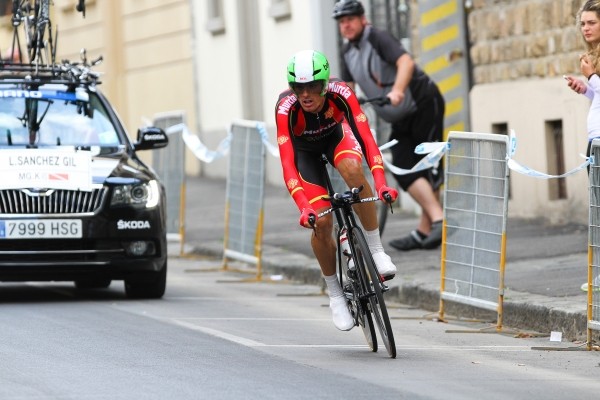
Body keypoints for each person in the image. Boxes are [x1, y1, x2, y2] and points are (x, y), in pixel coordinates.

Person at [275, 49, 399, 331]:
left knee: (354, 171)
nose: (305, 94)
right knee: (322, 221)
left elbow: (367, 140)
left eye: (313, 86)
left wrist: (380, 183)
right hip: (304, 153)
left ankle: (377, 251)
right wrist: (303, 206)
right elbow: (287, 163)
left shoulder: (341, 93)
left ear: (325, 84)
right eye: (298, 87)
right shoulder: (286, 108)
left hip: (335, 137)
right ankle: (335, 294)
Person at [332, 0, 445, 252]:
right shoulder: (347, 51)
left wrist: (397, 91)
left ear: (363, 19)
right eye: (341, 22)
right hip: (401, 117)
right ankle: (432, 226)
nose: (346, 25)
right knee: (404, 166)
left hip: (423, 104)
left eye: (350, 19)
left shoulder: (377, 38)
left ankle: (435, 224)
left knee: (427, 166)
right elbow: (347, 89)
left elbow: (405, 62)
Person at [565, 0, 600, 292]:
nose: (586, 28)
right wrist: (585, 88)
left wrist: (591, 77)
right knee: (598, 211)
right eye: (583, 23)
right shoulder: (592, 57)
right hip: (595, 140)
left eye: (592, 22)